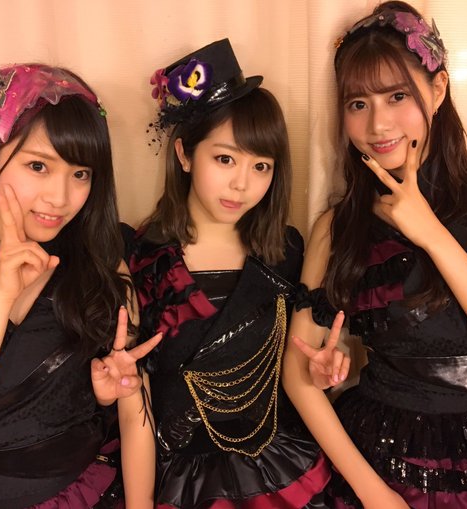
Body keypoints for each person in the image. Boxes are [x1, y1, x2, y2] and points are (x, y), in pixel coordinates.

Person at [283, 2, 467, 508]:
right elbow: (298, 376)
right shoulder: (336, 227)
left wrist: (431, 233)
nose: (378, 124)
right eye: (358, 103)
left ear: (438, 89)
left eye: (397, 96)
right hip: (381, 457)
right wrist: (374, 495)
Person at [0, 63, 160, 508]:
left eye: (80, 174)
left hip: (85, 494)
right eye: (38, 166)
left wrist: (121, 390)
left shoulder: (101, 265)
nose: (60, 198)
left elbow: (136, 410)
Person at [130, 39, 330, 508]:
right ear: (184, 155)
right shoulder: (141, 256)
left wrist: (323, 370)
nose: (242, 183)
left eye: (261, 166)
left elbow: (295, 368)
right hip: (176, 476)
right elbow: (131, 391)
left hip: (279, 468)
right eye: (225, 159)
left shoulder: (286, 252)